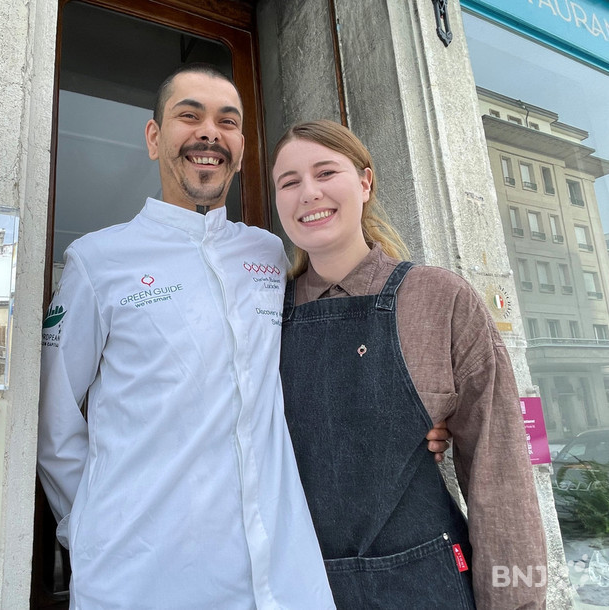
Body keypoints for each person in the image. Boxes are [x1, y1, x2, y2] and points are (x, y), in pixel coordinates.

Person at [37, 64, 336, 609]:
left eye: (227, 121)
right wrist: (91, 525)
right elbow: (53, 420)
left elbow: (334, 333)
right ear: (154, 138)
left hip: (279, 575)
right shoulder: (98, 261)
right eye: (189, 115)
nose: (209, 133)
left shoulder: (268, 252)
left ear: (241, 149)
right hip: (142, 579)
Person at [271, 119, 547, 609]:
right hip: (300, 588)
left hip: (425, 585)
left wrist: (516, 601)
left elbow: (499, 472)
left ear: (365, 181)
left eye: (325, 172)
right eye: (289, 182)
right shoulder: (263, 315)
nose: (308, 193)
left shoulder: (439, 300)